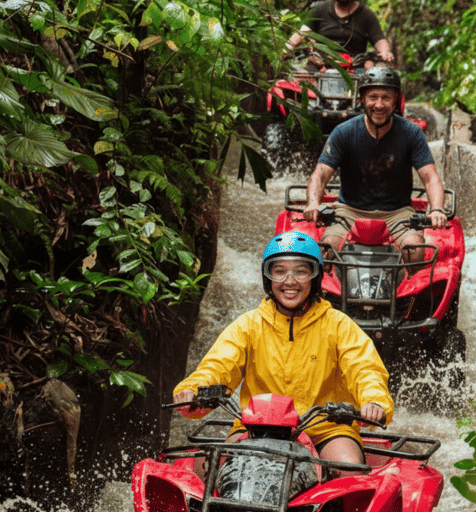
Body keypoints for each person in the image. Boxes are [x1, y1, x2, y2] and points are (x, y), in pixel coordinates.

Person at [173, 231, 393, 479]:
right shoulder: (248, 325)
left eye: (301, 271)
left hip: (325, 429)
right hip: (256, 428)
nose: (290, 281)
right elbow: (217, 367)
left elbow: (365, 369)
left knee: (349, 469)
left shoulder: (339, 325)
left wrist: (373, 401)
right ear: (268, 277)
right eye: (279, 271)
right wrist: (193, 389)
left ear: (315, 277)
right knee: (209, 467)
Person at [302, 67, 447, 264]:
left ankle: (408, 294)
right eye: (373, 97)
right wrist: (313, 203)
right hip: (349, 210)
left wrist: (437, 209)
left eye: (386, 98)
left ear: (396, 100)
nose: (379, 105)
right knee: (327, 252)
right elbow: (320, 175)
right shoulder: (343, 132)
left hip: (398, 213)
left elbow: (431, 179)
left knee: (415, 253)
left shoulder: (411, 133)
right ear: (361, 99)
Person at [283, 0, 394, 70]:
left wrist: (385, 52)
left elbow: (379, 40)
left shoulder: (366, 14)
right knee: (300, 77)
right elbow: (302, 33)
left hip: (355, 66)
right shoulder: (319, 9)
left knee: (374, 74)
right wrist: (287, 48)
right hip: (321, 63)